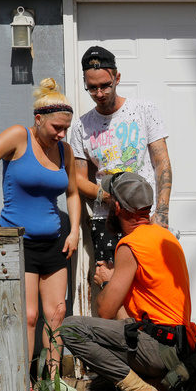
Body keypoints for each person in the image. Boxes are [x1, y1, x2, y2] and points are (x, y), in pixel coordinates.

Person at [0, 78, 82, 391]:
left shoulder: (64, 150)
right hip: (18, 245)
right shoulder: (18, 136)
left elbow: (72, 192)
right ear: (39, 119)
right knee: (27, 316)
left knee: (56, 313)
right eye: (56, 127)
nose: (61, 134)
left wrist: (74, 230)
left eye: (66, 128)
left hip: (54, 243)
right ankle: (23, 383)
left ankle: (52, 380)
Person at [60, 173, 196, 391]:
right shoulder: (165, 237)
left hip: (160, 347)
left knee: (71, 329)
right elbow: (129, 317)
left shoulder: (130, 245)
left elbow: (106, 311)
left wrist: (106, 280)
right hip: (181, 347)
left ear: (116, 207)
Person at [69, 45, 173, 289]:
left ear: (117, 78)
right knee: (111, 286)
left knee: (149, 284)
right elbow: (79, 179)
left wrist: (162, 212)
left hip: (143, 217)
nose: (99, 93)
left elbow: (162, 163)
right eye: (92, 87)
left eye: (105, 85)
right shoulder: (81, 126)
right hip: (106, 219)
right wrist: (109, 199)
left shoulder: (144, 111)